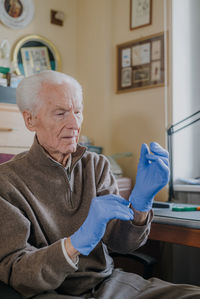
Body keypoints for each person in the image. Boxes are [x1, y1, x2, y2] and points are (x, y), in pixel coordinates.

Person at [0, 70, 199, 299]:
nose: (75, 123)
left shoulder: (96, 165)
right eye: (60, 113)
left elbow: (122, 244)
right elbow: (17, 272)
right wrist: (75, 244)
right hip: (50, 292)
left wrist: (141, 203)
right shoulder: (6, 182)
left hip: (108, 284)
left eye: (78, 112)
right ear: (30, 119)